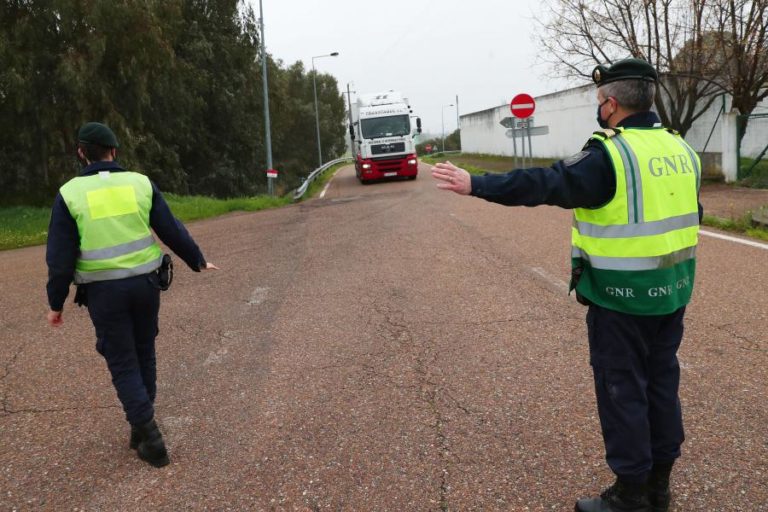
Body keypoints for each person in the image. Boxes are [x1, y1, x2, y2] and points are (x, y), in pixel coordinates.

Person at [431, 58, 701, 512]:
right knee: (661, 383)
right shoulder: (680, 149)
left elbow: (543, 183)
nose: (599, 110)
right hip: (672, 292)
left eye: (600, 102)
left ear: (611, 103)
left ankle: (631, 496)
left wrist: (474, 182)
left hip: (620, 298)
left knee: (623, 390)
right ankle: (660, 487)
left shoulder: (610, 155)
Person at [46, 122, 219, 468]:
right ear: (115, 151)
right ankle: (140, 426)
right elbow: (170, 227)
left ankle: (151, 438)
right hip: (146, 286)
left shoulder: (69, 194)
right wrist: (196, 260)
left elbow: (60, 259)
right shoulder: (140, 183)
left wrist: (56, 303)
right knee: (144, 354)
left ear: (81, 153)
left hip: (104, 292)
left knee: (123, 360)